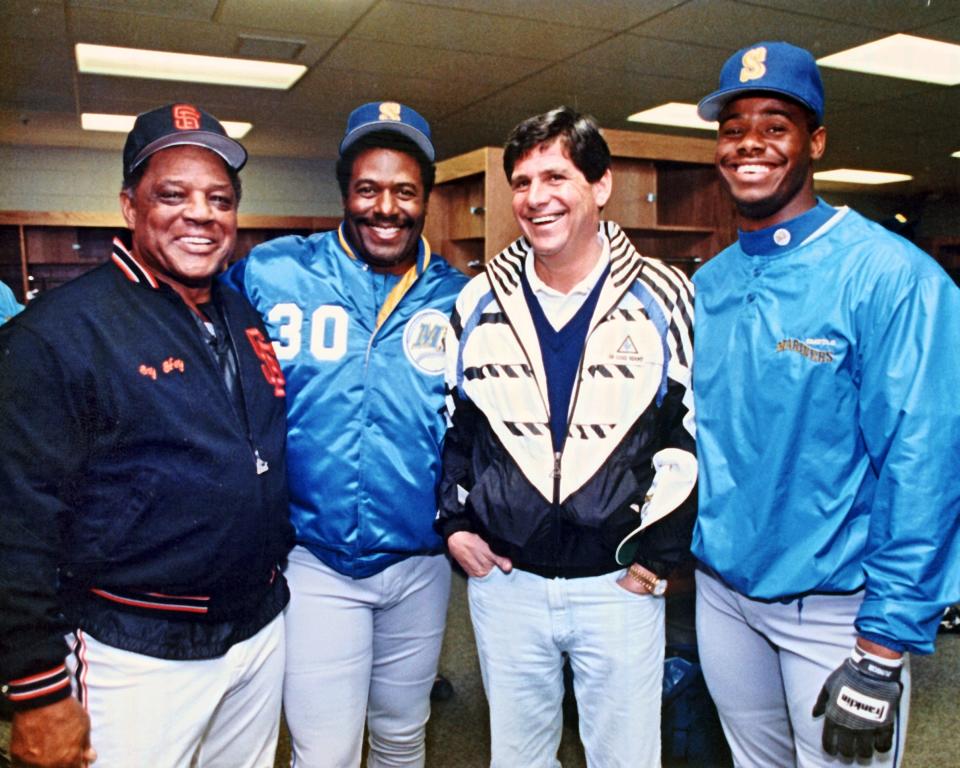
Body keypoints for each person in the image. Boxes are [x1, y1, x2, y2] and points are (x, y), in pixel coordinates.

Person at [691, 41, 960, 767]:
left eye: (775, 125)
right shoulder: (711, 283)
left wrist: (880, 651)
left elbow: (924, 464)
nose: (750, 142)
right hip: (724, 599)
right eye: (733, 125)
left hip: (837, 611)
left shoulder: (891, 276)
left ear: (815, 143)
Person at [0, 103, 292, 768]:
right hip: (137, 649)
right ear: (130, 207)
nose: (201, 213)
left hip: (256, 630)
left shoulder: (241, 312)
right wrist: (38, 690)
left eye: (219, 199)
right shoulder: (59, 334)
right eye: (173, 194)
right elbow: (15, 525)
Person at [436, 106, 697, 767]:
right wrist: (454, 524)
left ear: (600, 185)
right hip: (507, 582)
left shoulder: (665, 295)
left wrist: (659, 554)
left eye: (556, 176)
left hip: (617, 584)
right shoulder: (477, 302)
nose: (535, 198)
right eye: (522, 182)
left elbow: (691, 432)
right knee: (518, 759)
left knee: (626, 758)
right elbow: (457, 428)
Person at [223, 101, 467, 768]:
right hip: (314, 556)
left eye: (404, 191)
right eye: (368, 188)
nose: (384, 207)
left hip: (420, 562)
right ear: (343, 192)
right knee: (324, 752)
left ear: (426, 198)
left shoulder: (460, 298)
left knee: (400, 735)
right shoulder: (273, 272)